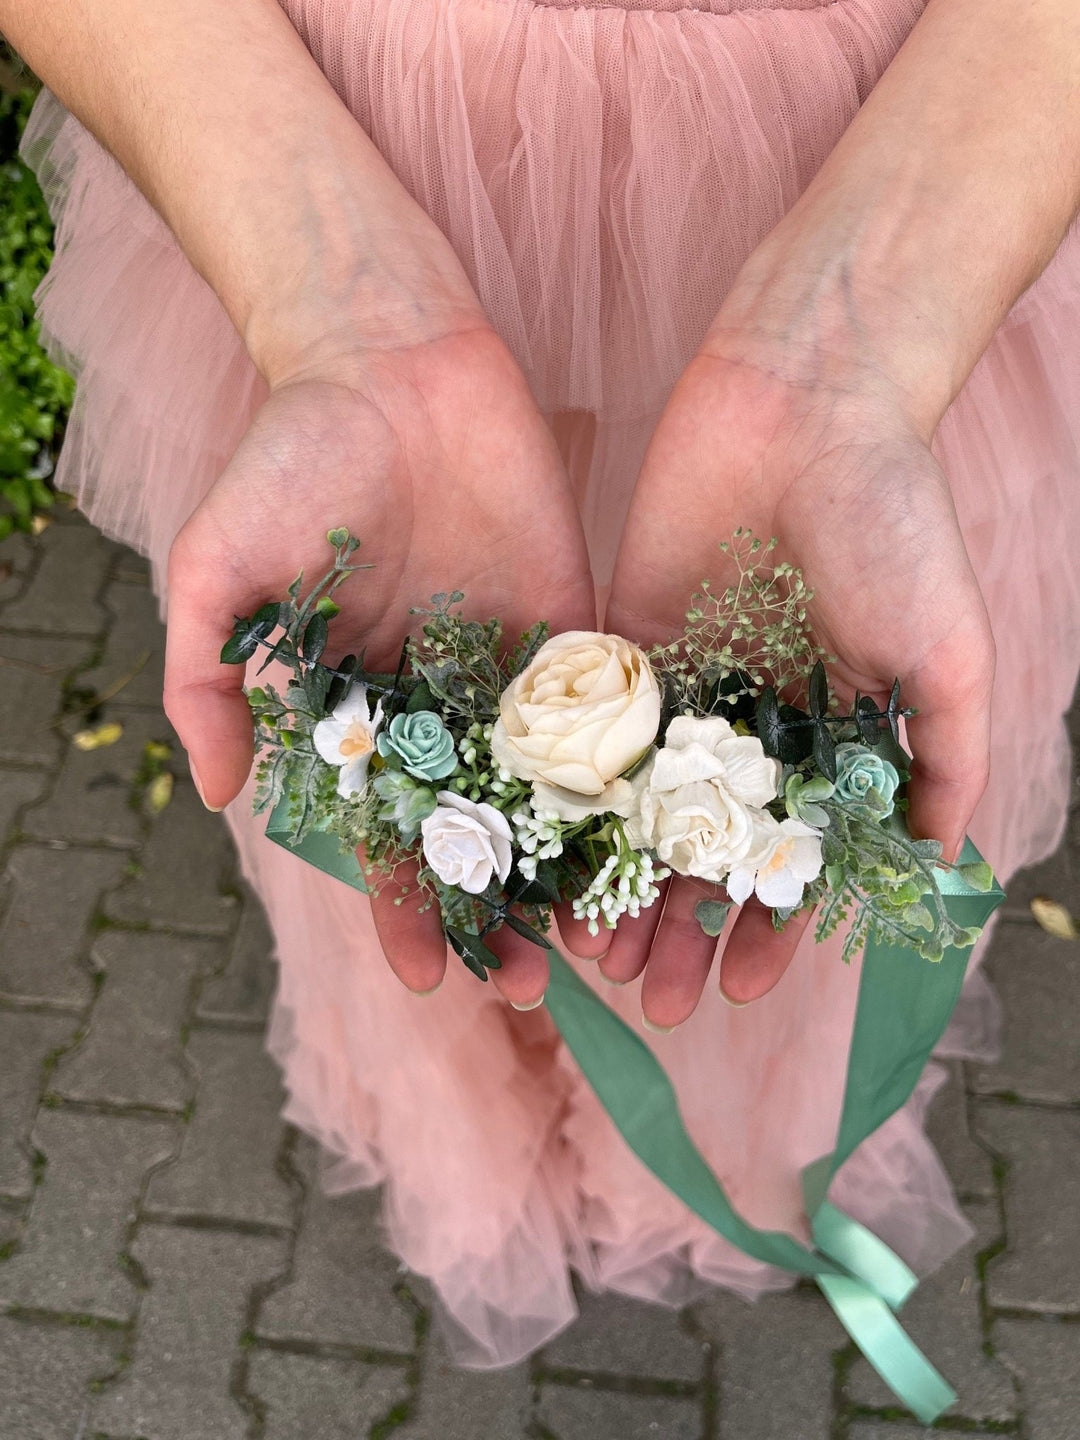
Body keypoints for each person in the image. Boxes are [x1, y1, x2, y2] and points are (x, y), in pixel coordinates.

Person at [4, 0, 1078, 1366]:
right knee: (413, 819)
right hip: (323, 150)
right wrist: (344, 310)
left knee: (798, 829)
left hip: (925, 159)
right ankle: (485, 1140)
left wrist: (849, 343)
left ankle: (729, 1166)